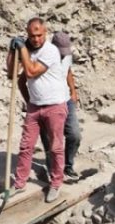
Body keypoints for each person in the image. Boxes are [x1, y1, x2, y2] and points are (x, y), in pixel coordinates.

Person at [8, 17, 71, 203]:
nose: (35, 39)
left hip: (54, 105)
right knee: (26, 145)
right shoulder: (26, 49)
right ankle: (19, 183)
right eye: (32, 36)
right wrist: (13, 51)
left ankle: (56, 183)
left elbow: (31, 72)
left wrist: (23, 49)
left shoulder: (51, 50)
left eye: (39, 35)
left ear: (45, 33)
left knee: (55, 146)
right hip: (35, 106)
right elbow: (12, 73)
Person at [40, 31, 82, 183]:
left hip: (65, 99)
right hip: (49, 102)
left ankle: (67, 166)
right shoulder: (44, 58)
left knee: (74, 135)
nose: (63, 55)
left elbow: (68, 72)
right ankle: (53, 169)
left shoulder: (67, 56)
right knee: (51, 139)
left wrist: (73, 90)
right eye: (61, 52)